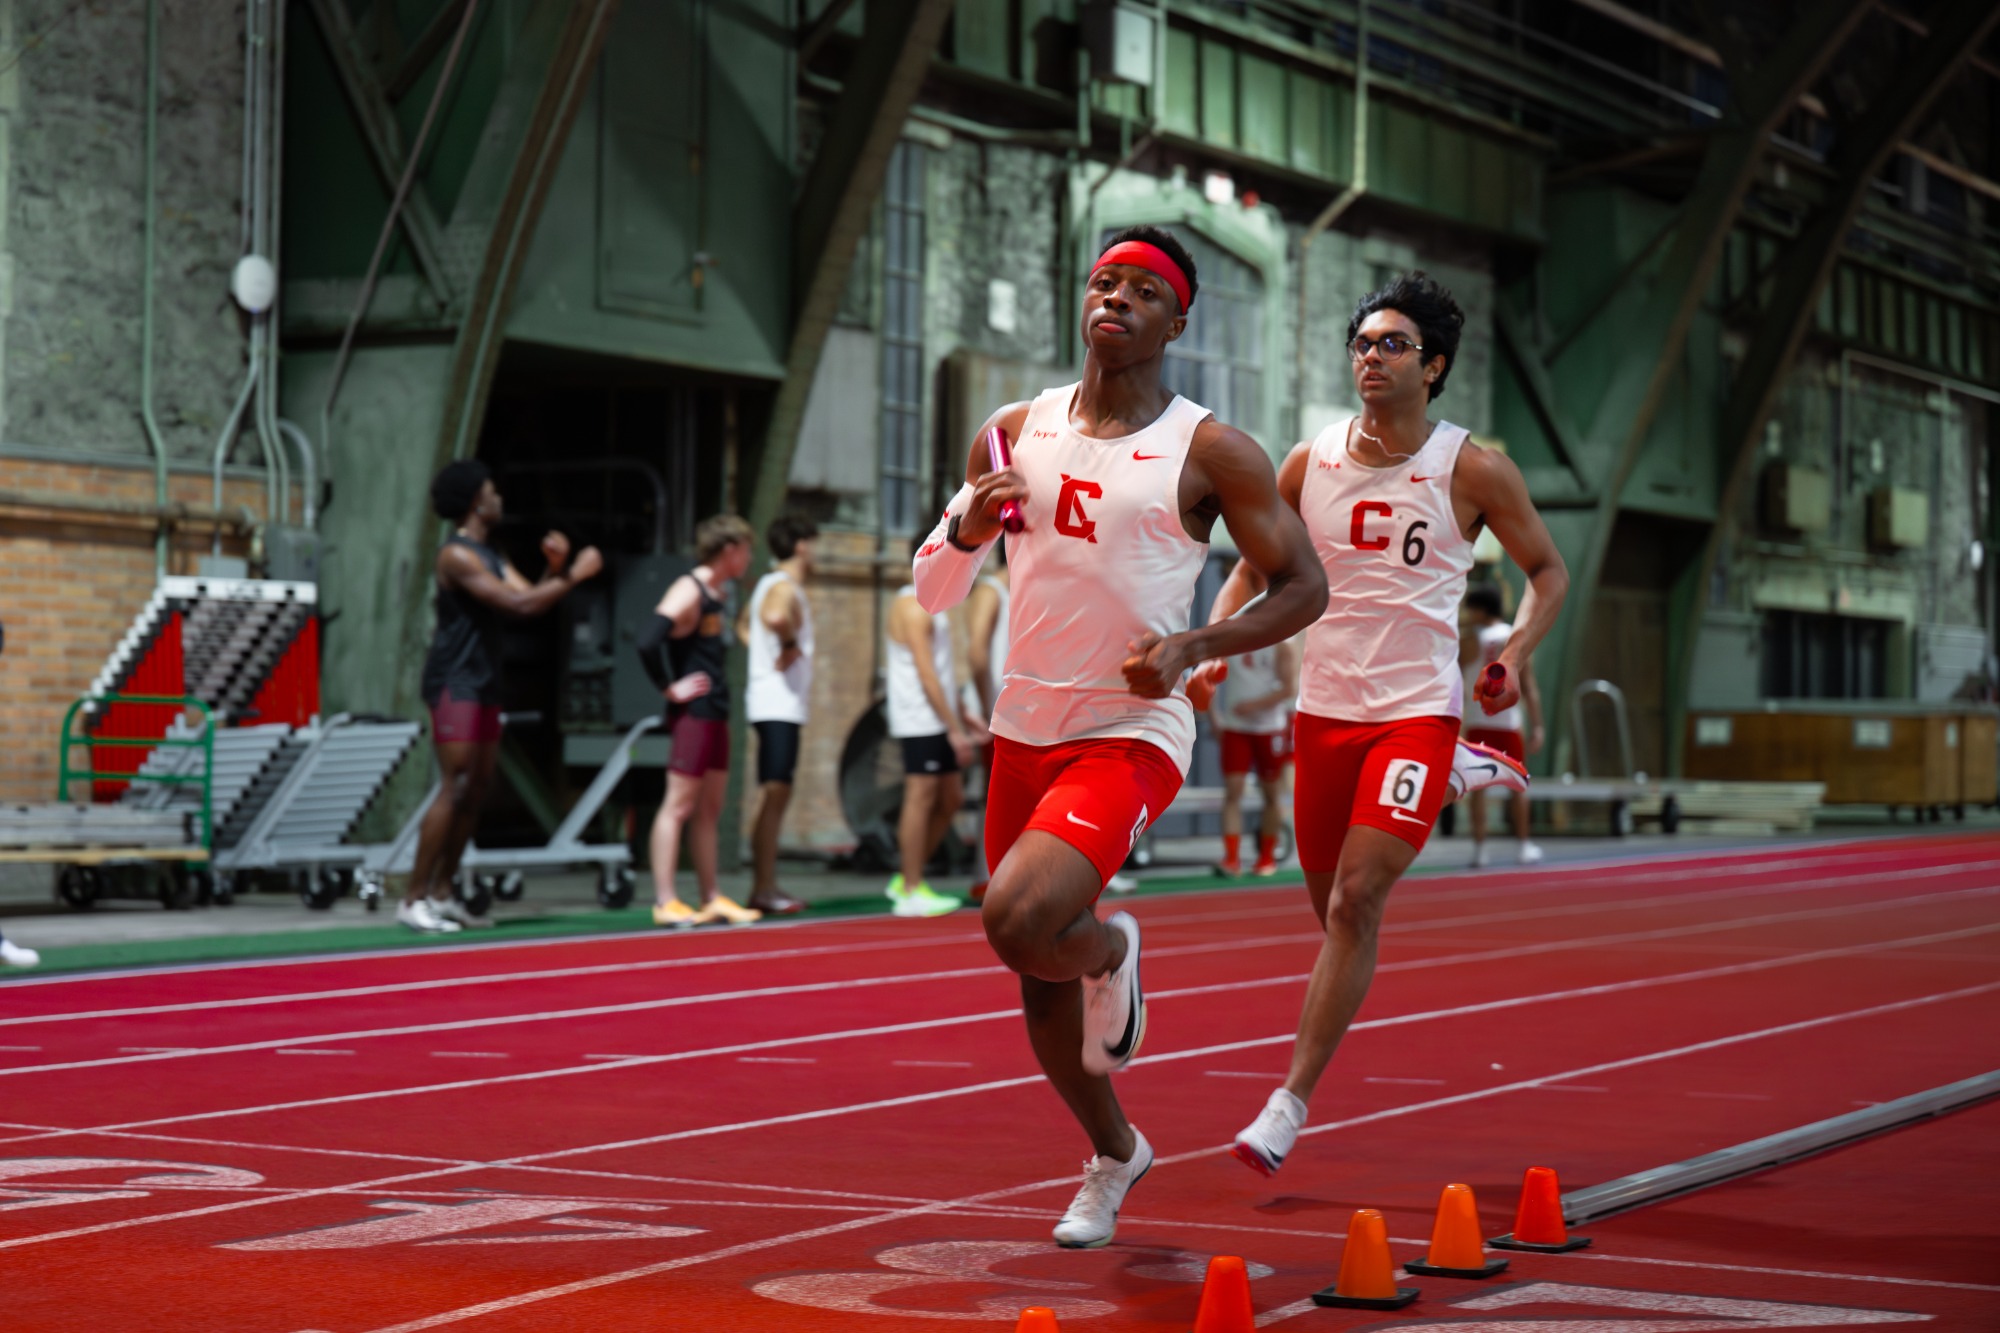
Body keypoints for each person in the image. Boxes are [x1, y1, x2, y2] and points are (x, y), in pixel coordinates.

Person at [913, 224, 1327, 1247]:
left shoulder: (1210, 448)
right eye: (1103, 282)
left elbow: (1303, 586)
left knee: (1017, 916)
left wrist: (1193, 644)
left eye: (1141, 290)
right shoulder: (1012, 431)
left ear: (1176, 320)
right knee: (1031, 964)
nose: (1115, 299)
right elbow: (931, 588)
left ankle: (1109, 947)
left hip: (1129, 725)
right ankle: (1112, 1152)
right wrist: (965, 526)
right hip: (1025, 723)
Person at [1199, 270, 1566, 1177]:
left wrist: (1514, 655)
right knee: (1329, 913)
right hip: (1325, 711)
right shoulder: (1305, 459)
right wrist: (1215, 643)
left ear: (1433, 365)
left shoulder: (1470, 467)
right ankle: (1453, 771)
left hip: (1415, 708)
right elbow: (1255, 565)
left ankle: (1287, 1104)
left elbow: (1548, 572)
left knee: (1360, 898)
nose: (1371, 356)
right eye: (1362, 343)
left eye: (1392, 344)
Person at [407, 459, 602, 934]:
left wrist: (555, 570)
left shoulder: (491, 553)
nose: (499, 498)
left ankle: (444, 892)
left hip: (486, 680)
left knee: (476, 791)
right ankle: (412, 898)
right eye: (492, 490)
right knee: (453, 785)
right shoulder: (457, 556)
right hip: (456, 682)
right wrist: (575, 575)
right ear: (476, 499)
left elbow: (529, 599)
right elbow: (516, 604)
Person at [638, 514, 762, 928]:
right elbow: (648, 638)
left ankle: (711, 897)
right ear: (729, 550)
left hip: (716, 712)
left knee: (709, 808)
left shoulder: (719, 591)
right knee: (678, 806)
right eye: (745, 549)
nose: (749, 558)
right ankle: (665, 899)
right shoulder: (689, 589)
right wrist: (668, 687)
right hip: (692, 714)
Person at [886, 534, 986, 918]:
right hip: (919, 717)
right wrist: (953, 730)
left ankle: (906, 875)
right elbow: (927, 675)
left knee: (952, 800)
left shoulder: (933, 602)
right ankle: (911, 887)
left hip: (939, 715)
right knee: (921, 797)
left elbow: (942, 674)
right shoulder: (911, 605)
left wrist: (964, 713)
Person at [741, 513, 819, 916]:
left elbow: (744, 627)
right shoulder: (783, 587)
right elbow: (773, 617)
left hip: (773, 702)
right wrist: (787, 644)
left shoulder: (767, 584)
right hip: (777, 705)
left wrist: (764, 654)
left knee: (775, 794)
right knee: (775, 794)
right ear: (802, 545)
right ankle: (764, 887)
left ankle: (764, 884)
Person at [1209, 567, 1300, 878]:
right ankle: (1231, 858)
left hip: (1269, 726)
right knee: (1232, 792)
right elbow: (1208, 673)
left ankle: (1266, 858)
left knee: (1271, 793)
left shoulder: (1281, 639)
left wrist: (1256, 704)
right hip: (1236, 726)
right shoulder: (1230, 629)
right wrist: (1215, 717)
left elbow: (1289, 688)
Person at [1463, 583, 1544, 867]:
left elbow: (1455, 675)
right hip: (1508, 722)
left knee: (1477, 789)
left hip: (1478, 721)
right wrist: (1537, 725)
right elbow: (1529, 685)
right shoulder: (1513, 636)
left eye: (1470, 607)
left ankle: (1479, 850)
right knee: (1518, 786)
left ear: (1481, 609)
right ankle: (1523, 845)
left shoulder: (1470, 638)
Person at [960, 550, 1010, 905]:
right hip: (996, 711)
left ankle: (1001, 877)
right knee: (998, 794)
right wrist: (987, 705)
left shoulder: (1031, 591)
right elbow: (976, 654)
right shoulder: (992, 591)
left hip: (1020, 709)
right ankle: (986, 877)